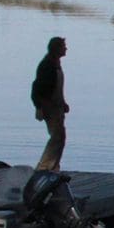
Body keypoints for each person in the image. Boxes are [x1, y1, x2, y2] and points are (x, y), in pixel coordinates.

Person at [32, 36, 68, 171]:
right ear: (56, 48)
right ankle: (44, 167)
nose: (66, 48)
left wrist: (63, 102)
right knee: (57, 136)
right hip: (49, 106)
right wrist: (40, 106)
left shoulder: (55, 63)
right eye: (63, 46)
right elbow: (37, 87)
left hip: (56, 106)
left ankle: (52, 166)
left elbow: (58, 86)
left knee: (60, 136)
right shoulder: (47, 65)